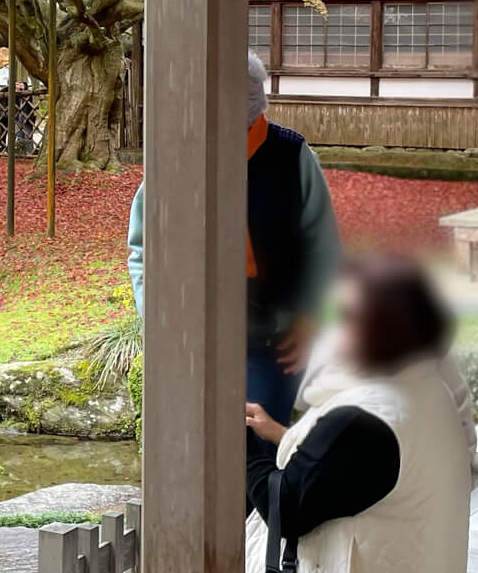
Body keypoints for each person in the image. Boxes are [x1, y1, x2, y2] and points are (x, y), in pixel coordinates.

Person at [242, 254, 478, 573]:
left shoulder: (362, 420)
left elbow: (286, 508)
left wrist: (239, 443)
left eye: (347, 317)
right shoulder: (424, 384)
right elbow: (350, 474)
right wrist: (279, 434)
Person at [127, 51, 341, 425]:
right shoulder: (177, 156)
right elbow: (144, 249)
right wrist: (158, 318)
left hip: (272, 340)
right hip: (189, 336)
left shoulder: (291, 155)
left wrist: (309, 318)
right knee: (189, 443)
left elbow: (322, 247)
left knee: (254, 453)